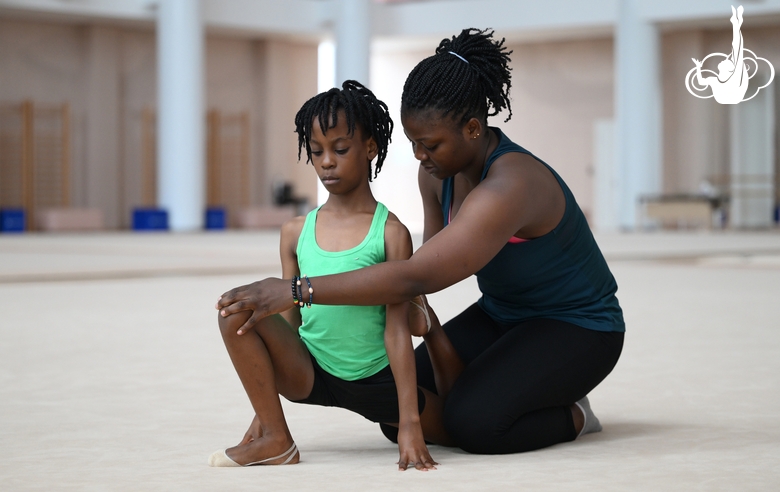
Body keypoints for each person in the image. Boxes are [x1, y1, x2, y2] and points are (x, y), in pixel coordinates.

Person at [217, 28, 625, 455]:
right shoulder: (436, 175)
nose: (419, 155)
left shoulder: (512, 185)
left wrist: (296, 291)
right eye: (413, 143)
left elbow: (417, 275)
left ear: (472, 128)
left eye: (430, 144)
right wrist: (425, 328)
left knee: (474, 424)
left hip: (578, 327)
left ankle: (575, 415)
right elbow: (423, 271)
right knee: (398, 409)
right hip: (502, 315)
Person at [209, 80, 461, 471]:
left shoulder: (390, 233)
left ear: (370, 148)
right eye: (316, 152)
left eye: (340, 150)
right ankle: (278, 440)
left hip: (377, 382)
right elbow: (287, 317)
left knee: (464, 431)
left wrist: (409, 424)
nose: (327, 161)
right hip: (311, 372)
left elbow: (395, 330)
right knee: (237, 310)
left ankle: (568, 414)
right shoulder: (295, 232)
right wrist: (265, 411)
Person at [692, 5, 748, 104]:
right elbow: (701, 82)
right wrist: (698, 67)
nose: (725, 59)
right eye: (728, 60)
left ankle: (736, 24)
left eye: (727, 61)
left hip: (733, 96)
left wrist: (736, 26)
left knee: (737, 51)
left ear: (729, 69)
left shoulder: (734, 77)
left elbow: (737, 48)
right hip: (727, 97)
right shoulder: (714, 80)